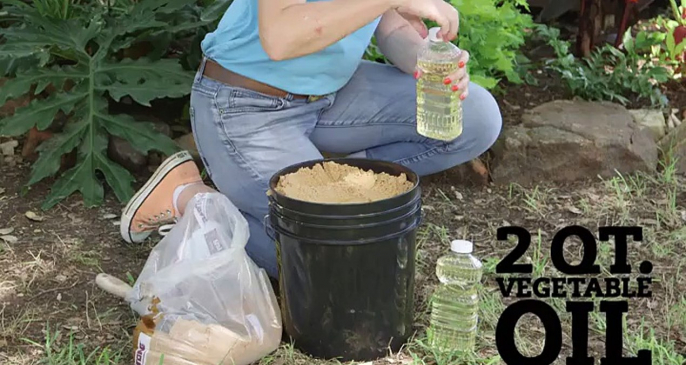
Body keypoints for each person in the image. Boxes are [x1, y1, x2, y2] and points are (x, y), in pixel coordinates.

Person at [118, 0, 502, 279]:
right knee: (338, 263)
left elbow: (390, 26)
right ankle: (192, 200)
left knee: (476, 117)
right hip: (247, 105)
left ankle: (338, 190)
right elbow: (282, 37)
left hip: (330, 98)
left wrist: (427, 59)